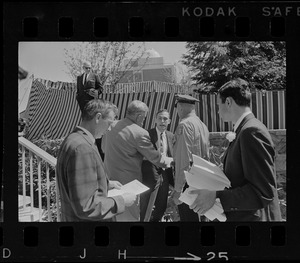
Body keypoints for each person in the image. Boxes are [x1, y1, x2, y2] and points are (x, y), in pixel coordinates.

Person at [189, 78, 282, 221]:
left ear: (228, 102)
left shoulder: (251, 131)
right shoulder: (244, 129)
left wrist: (216, 195)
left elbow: (263, 192)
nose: (218, 111)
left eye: (218, 105)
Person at [56, 99, 136, 222]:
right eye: (109, 124)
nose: (109, 129)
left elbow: (76, 184)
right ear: (98, 117)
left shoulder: (74, 139)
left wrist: (106, 184)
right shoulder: (82, 148)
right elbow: (87, 207)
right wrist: (122, 201)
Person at [103, 100, 173, 221]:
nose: (143, 121)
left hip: (108, 182)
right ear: (139, 116)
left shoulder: (110, 127)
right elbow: (157, 159)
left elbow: (104, 149)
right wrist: (173, 161)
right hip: (128, 187)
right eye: (144, 118)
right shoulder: (140, 133)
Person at [171, 94, 210, 221]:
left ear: (180, 107)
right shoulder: (201, 125)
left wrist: (178, 190)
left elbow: (184, 159)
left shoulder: (184, 125)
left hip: (188, 180)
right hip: (200, 178)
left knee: (188, 221)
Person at [140, 109, 175, 222]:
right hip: (150, 174)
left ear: (169, 121)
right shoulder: (147, 134)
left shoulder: (171, 136)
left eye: (165, 119)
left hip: (164, 174)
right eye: (160, 118)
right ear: (155, 119)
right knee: (147, 202)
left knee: (162, 203)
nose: (162, 121)